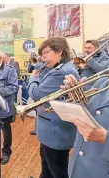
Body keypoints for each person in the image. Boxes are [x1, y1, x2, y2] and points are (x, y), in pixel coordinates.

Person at [63, 26, 109, 178]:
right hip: (78, 169)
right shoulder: (104, 82)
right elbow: (91, 115)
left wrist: (107, 139)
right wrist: (77, 96)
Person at [27, 37, 80, 178]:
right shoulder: (58, 67)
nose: (43, 58)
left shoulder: (61, 71)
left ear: (59, 52)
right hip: (49, 129)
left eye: (46, 53)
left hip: (54, 132)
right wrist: (42, 68)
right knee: (46, 167)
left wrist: (33, 77)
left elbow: (36, 93)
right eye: (42, 54)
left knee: (57, 171)